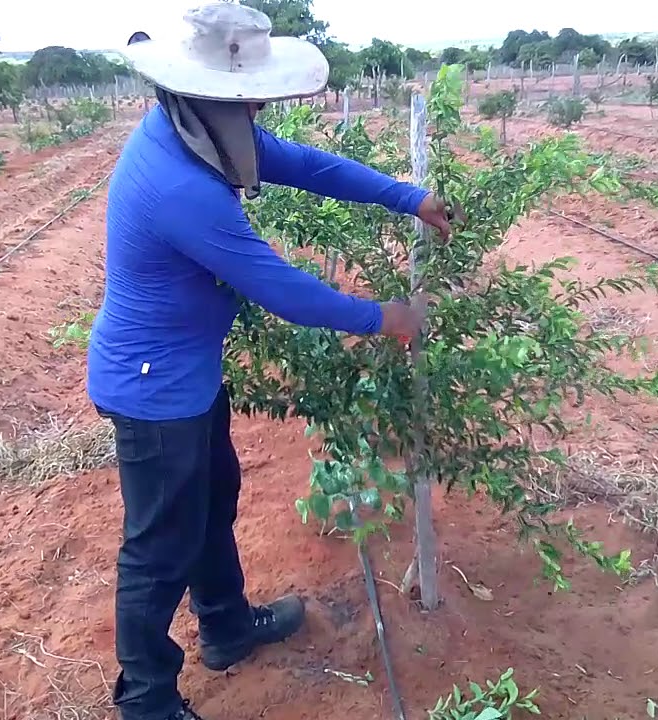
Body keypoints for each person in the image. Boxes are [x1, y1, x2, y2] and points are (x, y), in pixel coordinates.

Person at [87, 4, 453, 720]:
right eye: (248, 94)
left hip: (183, 373)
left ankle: (224, 627)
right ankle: (146, 702)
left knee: (212, 502)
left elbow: (307, 165)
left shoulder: (199, 133)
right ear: (212, 93)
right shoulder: (180, 186)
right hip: (152, 389)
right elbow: (284, 290)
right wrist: (388, 318)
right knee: (159, 548)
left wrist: (409, 197)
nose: (257, 106)